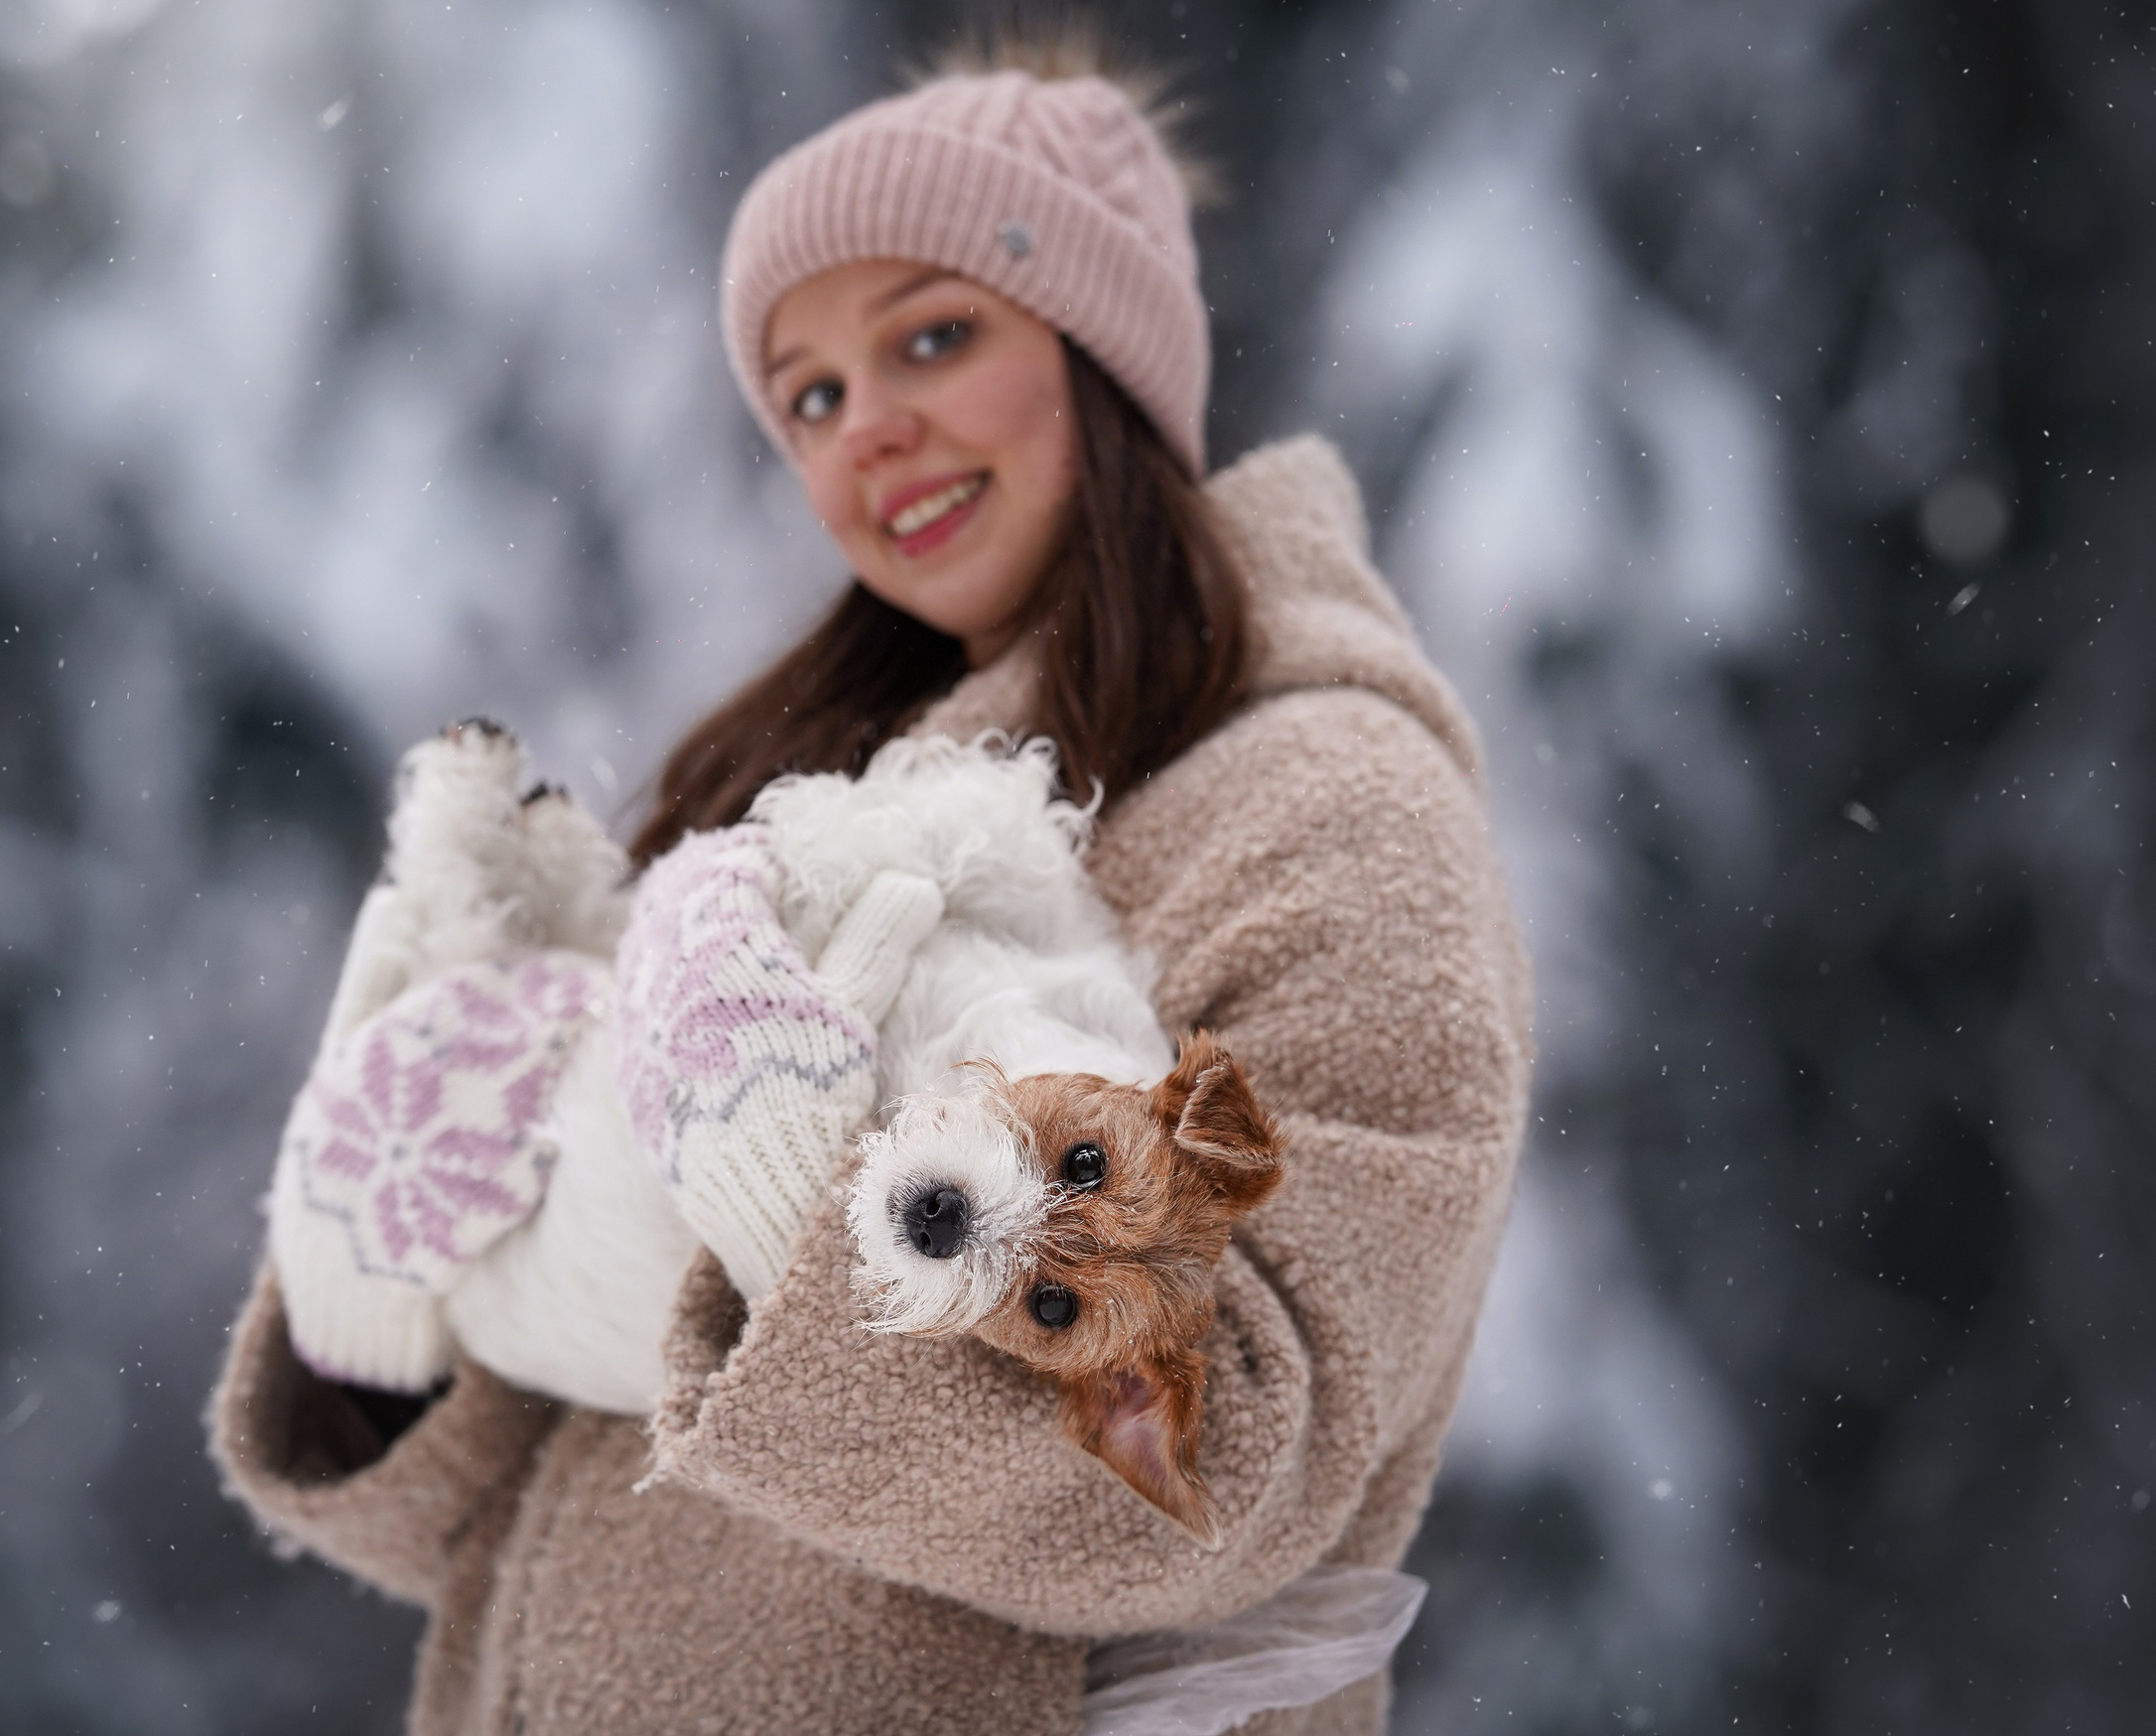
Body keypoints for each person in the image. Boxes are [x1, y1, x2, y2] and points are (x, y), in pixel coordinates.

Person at [208, 37, 1531, 1736]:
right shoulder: (795, 802)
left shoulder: (1324, 801)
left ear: (1104, 350)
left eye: (931, 337)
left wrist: (814, 1233)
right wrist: (382, 1281)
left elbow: (1227, 1465)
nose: (870, 431)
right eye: (813, 396)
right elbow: (533, 1506)